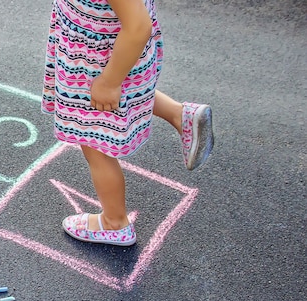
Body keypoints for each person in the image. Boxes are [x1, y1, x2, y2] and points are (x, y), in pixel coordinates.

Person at [42, 0, 214, 246]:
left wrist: (109, 82)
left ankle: (114, 223)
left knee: (95, 144)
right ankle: (180, 115)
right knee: (128, 96)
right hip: (105, 51)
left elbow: (137, 27)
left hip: (103, 62)